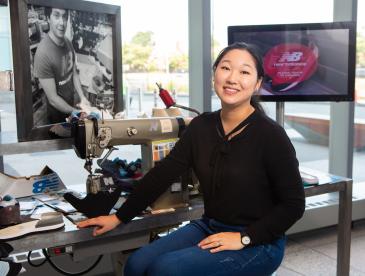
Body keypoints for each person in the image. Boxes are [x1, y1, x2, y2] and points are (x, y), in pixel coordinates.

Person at [77, 42, 305, 275]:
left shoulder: (271, 135)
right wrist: (118, 217)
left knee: (165, 270)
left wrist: (244, 238)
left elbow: (294, 205)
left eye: (244, 72)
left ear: (257, 84)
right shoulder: (202, 127)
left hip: (259, 241)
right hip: (210, 226)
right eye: (226, 68)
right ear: (215, 73)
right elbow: (163, 174)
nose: (232, 78)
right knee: (137, 264)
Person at [34, 7, 90, 124]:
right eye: (56, 15)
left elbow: (73, 73)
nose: (62, 22)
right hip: (56, 113)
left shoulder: (67, 42)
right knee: (58, 137)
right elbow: (53, 99)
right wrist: (75, 112)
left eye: (64, 17)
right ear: (48, 18)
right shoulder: (42, 53)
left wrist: (82, 97)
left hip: (70, 104)